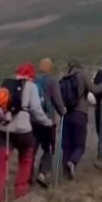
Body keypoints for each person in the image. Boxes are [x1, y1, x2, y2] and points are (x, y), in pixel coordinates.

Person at [0, 64, 51, 202]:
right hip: (24, 130)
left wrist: (0, 119)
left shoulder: (6, 85)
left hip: (5, 130)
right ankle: (21, 192)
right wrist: (46, 122)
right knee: (26, 159)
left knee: (1, 163)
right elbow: (35, 109)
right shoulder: (31, 86)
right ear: (31, 75)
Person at [58, 59, 95, 179]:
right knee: (80, 145)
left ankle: (64, 174)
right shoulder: (82, 76)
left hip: (66, 115)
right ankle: (72, 162)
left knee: (67, 146)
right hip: (80, 114)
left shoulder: (64, 79)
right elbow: (93, 89)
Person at [33, 58, 66, 187]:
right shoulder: (52, 81)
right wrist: (62, 110)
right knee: (48, 148)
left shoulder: (33, 80)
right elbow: (57, 100)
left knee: (32, 148)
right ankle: (42, 173)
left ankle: (27, 175)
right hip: (48, 120)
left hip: (33, 119)